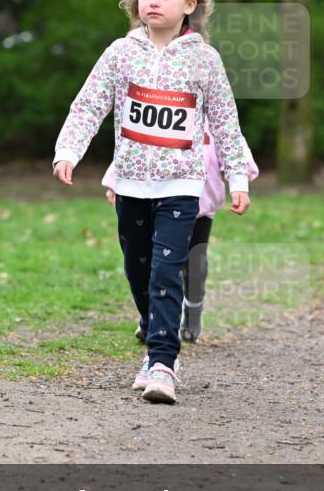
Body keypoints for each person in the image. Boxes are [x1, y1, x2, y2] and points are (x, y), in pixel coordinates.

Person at [53, 0, 250, 404]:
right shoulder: (121, 54)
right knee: (138, 268)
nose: (153, 1)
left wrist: (237, 178)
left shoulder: (204, 62)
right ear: (134, 1)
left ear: (189, 4)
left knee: (166, 269)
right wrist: (69, 151)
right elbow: (88, 106)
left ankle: (162, 361)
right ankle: (156, 333)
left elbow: (225, 122)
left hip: (182, 186)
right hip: (130, 185)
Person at [102, 121, 259, 344]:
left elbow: (233, 144)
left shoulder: (213, 123)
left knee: (194, 265)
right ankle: (154, 320)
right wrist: (115, 183)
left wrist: (240, 180)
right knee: (160, 266)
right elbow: (134, 147)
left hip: (200, 211)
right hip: (160, 207)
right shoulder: (162, 114)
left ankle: (193, 310)